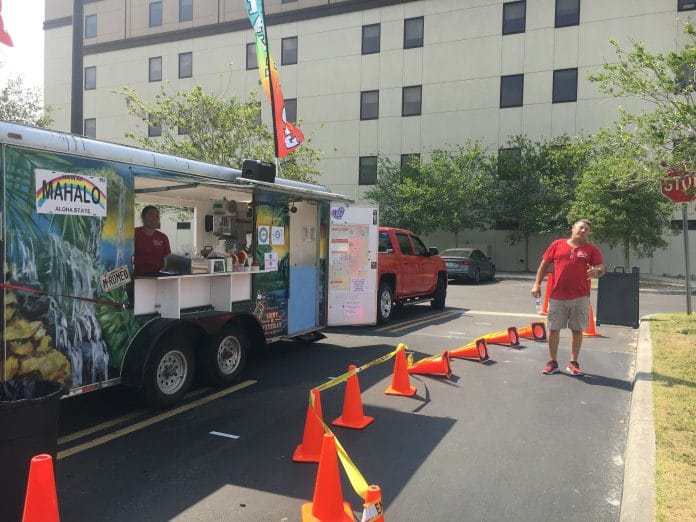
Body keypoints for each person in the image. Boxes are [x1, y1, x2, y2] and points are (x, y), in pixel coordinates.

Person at [531, 219, 605, 376]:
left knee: (577, 330)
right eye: (581, 227)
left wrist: (597, 271)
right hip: (557, 296)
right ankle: (553, 362)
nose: (584, 231)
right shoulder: (557, 244)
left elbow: (601, 268)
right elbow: (544, 265)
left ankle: (573, 363)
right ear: (573, 229)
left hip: (581, 297)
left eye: (587, 229)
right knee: (553, 328)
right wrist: (537, 285)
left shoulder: (591, 249)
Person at [134, 205, 171, 274]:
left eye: (157, 216)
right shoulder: (133, 234)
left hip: (159, 277)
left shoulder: (163, 237)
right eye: (151, 215)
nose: (154, 219)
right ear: (143, 217)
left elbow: (168, 259)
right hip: (138, 276)